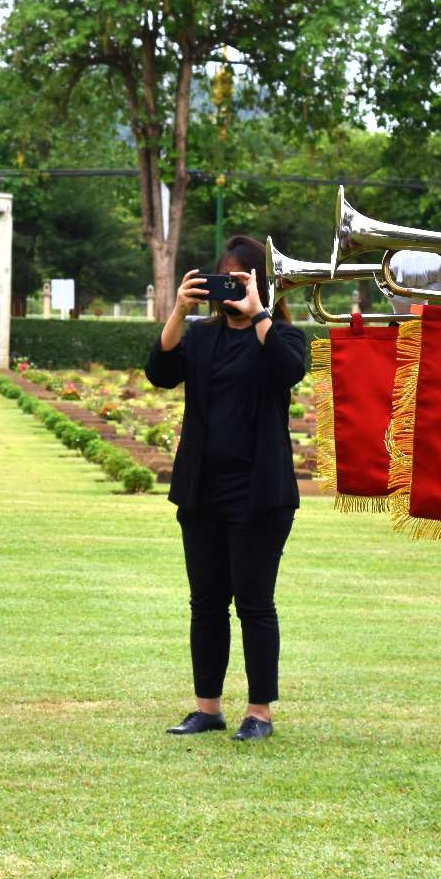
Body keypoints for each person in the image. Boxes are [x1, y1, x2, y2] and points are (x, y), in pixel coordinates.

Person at [145, 235, 306, 743]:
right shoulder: (200, 337)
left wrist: (259, 313)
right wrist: (177, 310)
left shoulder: (282, 335)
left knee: (255, 603)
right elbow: (160, 372)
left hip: (260, 494)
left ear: (262, 283)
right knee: (206, 603)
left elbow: (287, 371)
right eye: (225, 278)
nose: (230, 288)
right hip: (202, 492)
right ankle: (206, 708)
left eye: (241, 279)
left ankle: (259, 712)